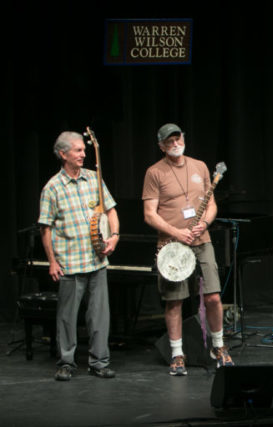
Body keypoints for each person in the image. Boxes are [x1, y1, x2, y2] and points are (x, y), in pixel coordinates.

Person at [142, 123, 233, 376]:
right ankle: (177, 353)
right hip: (171, 246)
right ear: (160, 145)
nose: (174, 143)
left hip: (201, 240)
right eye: (168, 140)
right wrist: (176, 232)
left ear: (183, 139)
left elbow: (211, 203)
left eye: (177, 138)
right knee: (175, 301)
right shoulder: (154, 173)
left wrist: (204, 222)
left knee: (213, 296)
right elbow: (149, 215)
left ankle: (218, 347)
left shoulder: (200, 166)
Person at [38, 131, 120, 381]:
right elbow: (46, 227)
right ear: (63, 154)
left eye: (84, 150)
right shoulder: (52, 187)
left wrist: (114, 235)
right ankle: (67, 362)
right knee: (67, 318)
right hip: (70, 264)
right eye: (78, 150)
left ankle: (99, 362)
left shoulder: (94, 179)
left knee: (99, 316)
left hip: (96, 261)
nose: (84, 154)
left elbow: (111, 209)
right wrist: (52, 260)